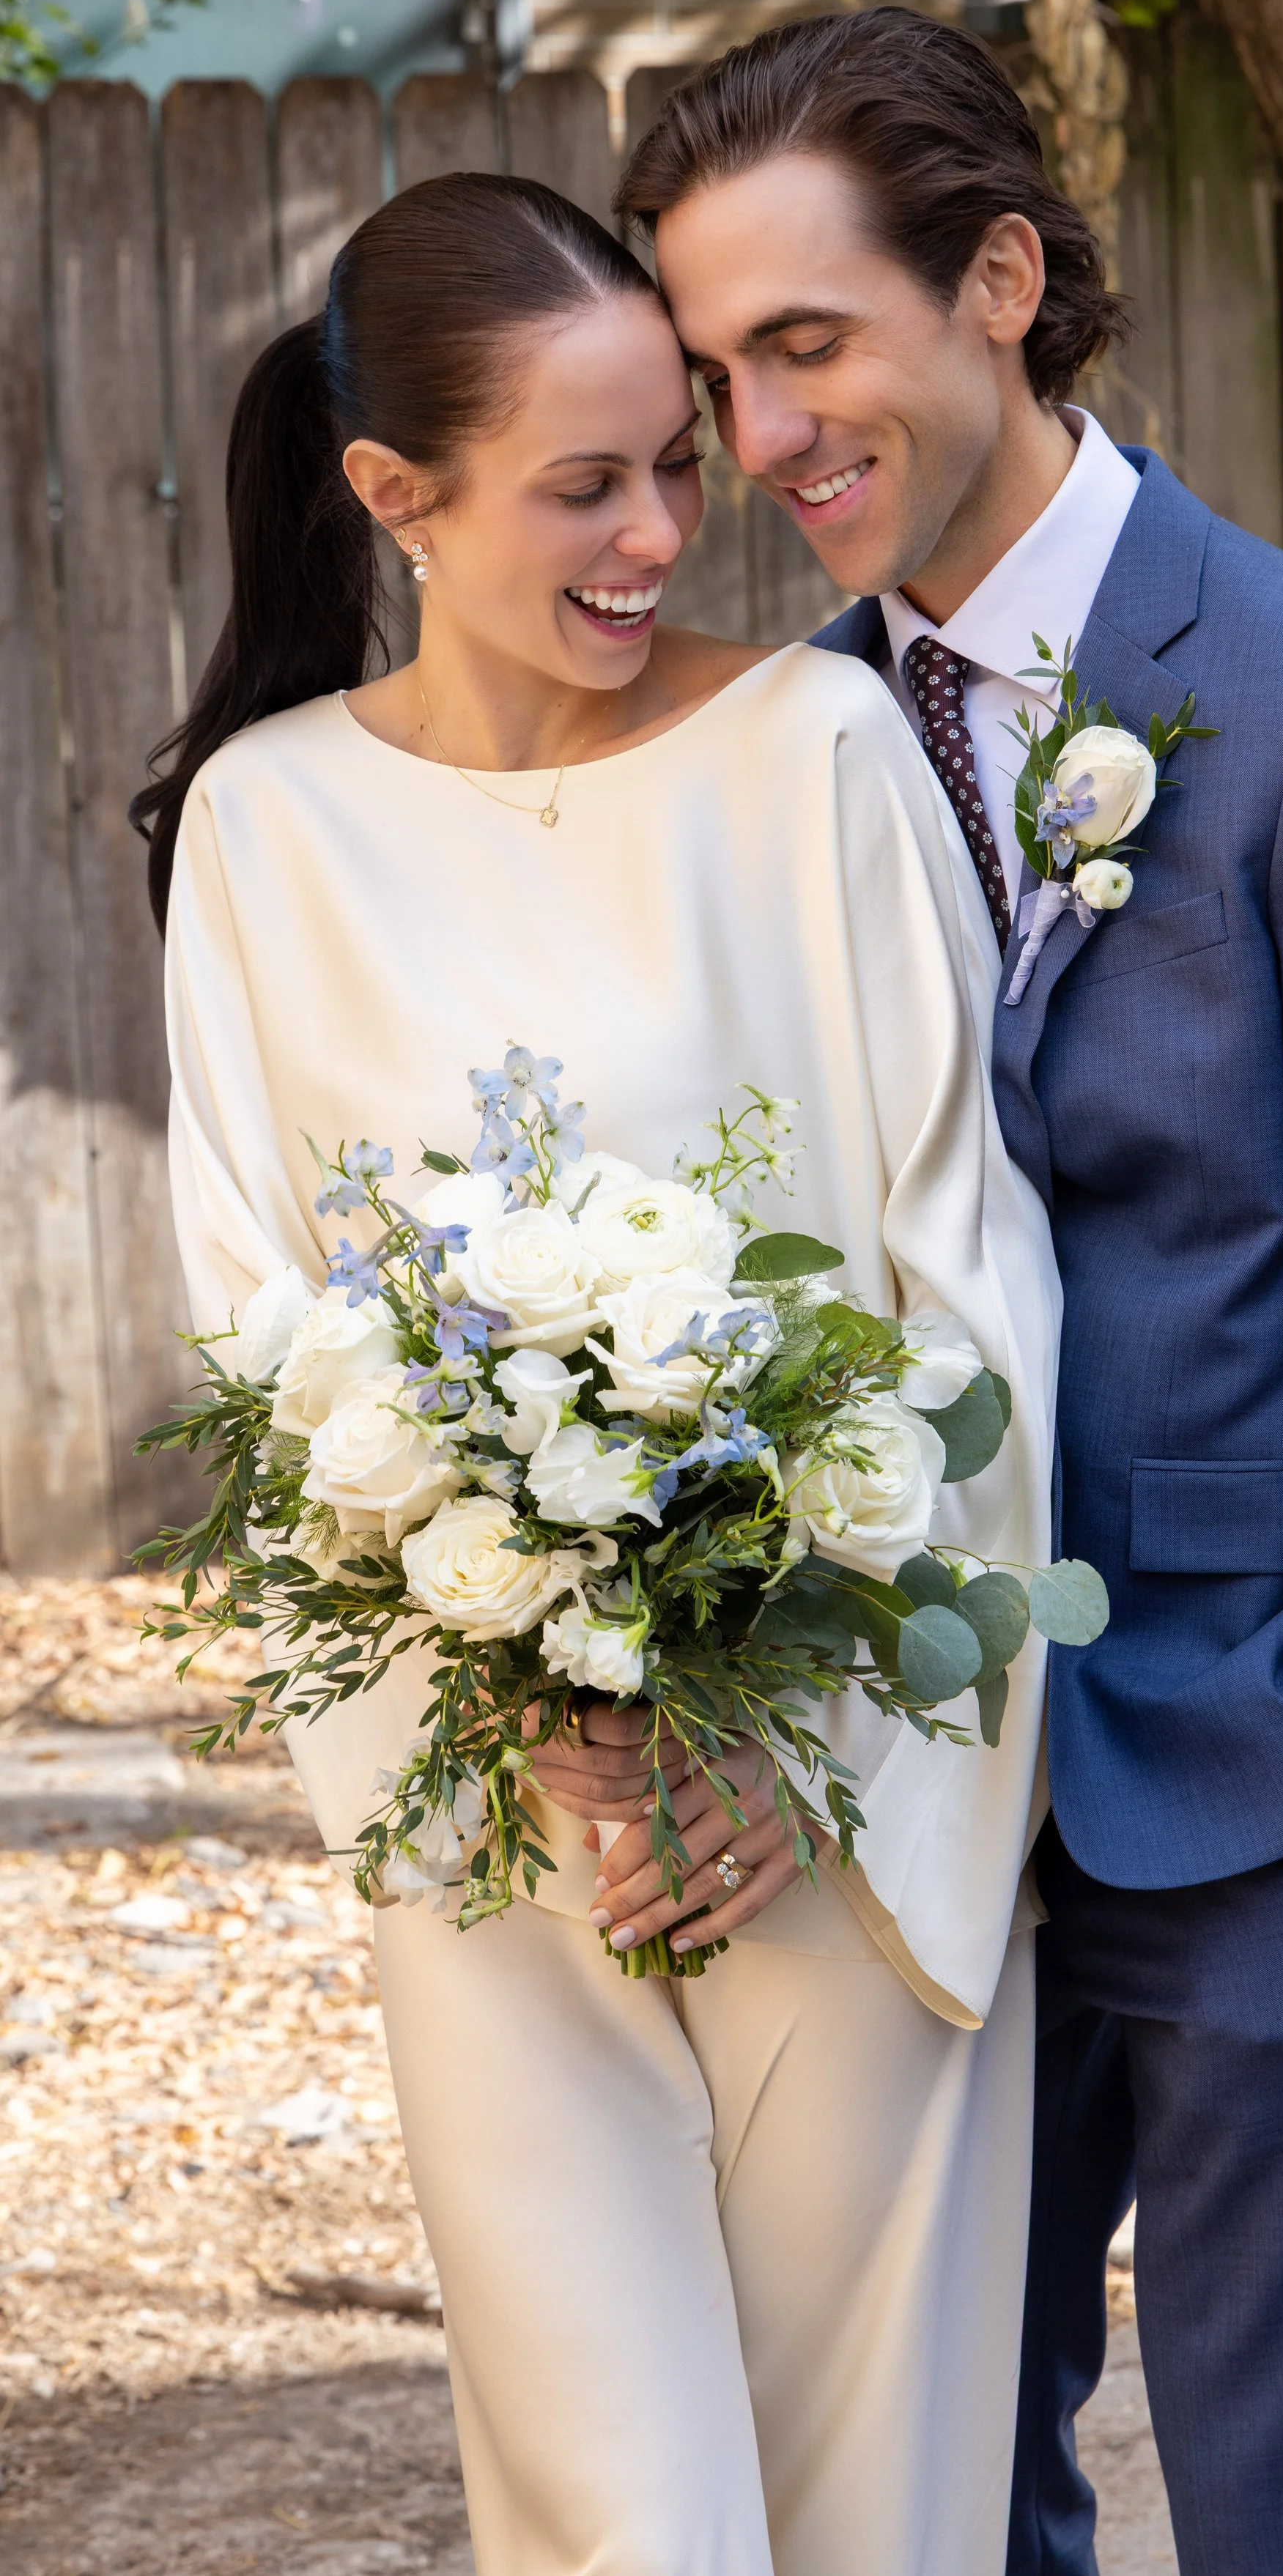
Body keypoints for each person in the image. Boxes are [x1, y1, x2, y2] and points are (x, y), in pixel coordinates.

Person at [615, 7, 1283, 2576]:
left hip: (1250, 1758)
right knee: (928, 2490)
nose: (760, 432)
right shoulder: (781, 748)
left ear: (1000, 280)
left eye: (803, 342)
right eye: (713, 373)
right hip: (903, 1791)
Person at [136, 169, 1060, 2576]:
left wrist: (797, 1736)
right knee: (619, 2529)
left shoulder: (821, 761)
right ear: (393, 498)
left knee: (878, 2525)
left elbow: (956, 1281)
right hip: (498, 1828)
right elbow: (264, 1319)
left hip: (831, 1800)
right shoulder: (267, 832)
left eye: (676, 456)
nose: (666, 526)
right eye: (587, 482)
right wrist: (518, 1704)